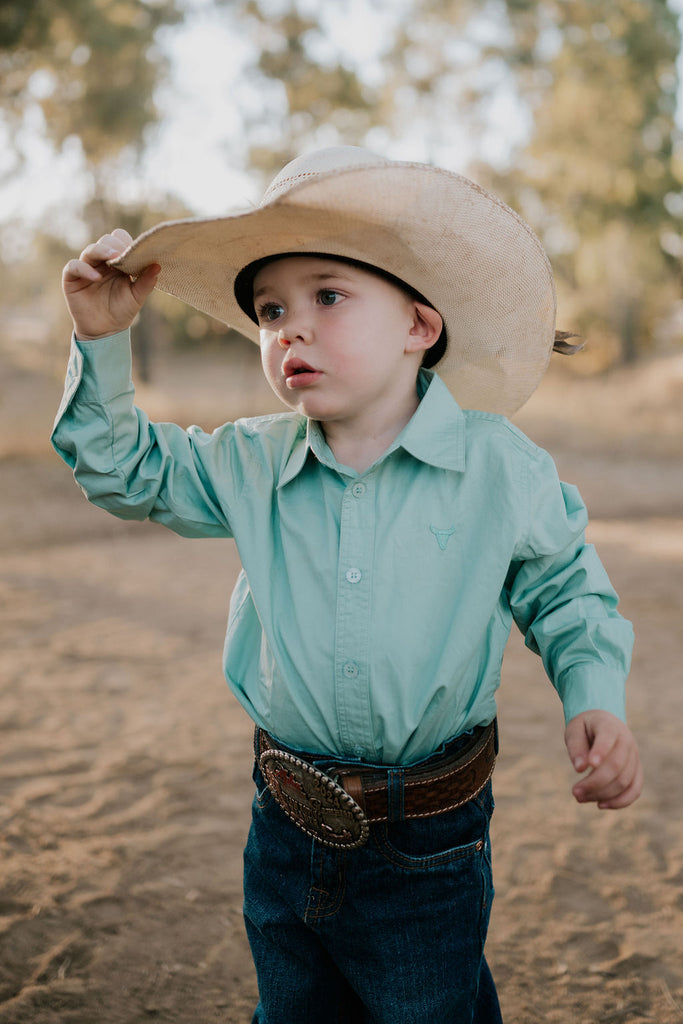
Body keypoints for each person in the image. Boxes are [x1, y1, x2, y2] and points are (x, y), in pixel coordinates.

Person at [53, 145, 642, 1023]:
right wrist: (101, 339)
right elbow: (124, 471)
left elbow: (565, 590)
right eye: (269, 309)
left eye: (327, 296)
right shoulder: (248, 462)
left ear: (418, 325)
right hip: (285, 818)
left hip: (428, 835)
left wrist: (591, 692)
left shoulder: (495, 467)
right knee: (293, 1008)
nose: (290, 327)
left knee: (425, 1007)